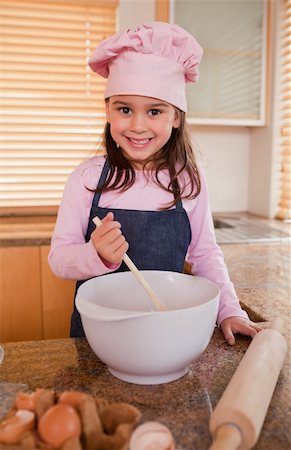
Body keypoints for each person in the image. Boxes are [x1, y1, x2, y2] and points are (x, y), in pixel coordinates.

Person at [48, 22, 262, 344]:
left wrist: (230, 310)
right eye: (124, 109)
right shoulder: (87, 178)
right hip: (99, 336)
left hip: (168, 329)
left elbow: (205, 254)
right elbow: (59, 259)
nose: (137, 125)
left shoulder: (188, 180)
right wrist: (96, 254)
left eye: (154, 111)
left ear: (176, 117)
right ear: (108, 110)